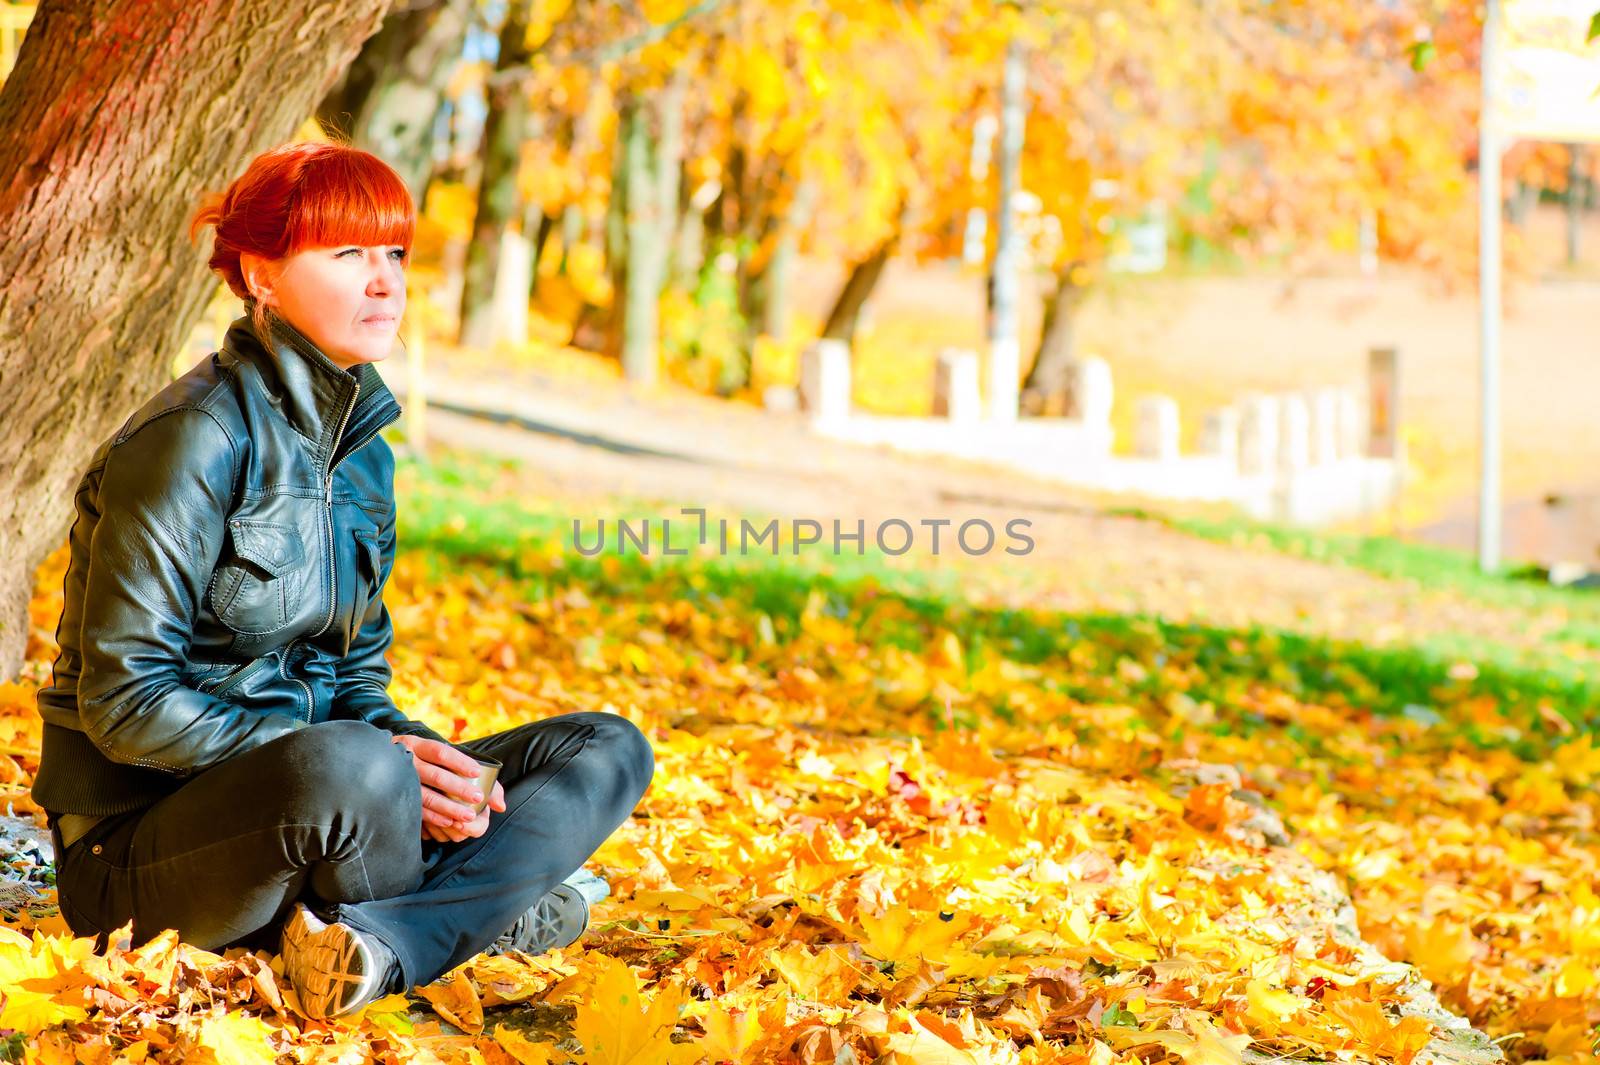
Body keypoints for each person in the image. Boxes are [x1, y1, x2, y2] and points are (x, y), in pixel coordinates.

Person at [28, 140, 655, 1021]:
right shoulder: (190, 439)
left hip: (334, 798)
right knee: (362, 765)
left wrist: (434, 769)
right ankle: (472, 910)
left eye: (394, 253)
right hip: (144, 850)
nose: (384, 281)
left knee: (605, 747)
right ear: (262, 275)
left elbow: (358, 681)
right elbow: (128, 703)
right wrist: (372, 763)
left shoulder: (365, 462)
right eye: (348, 252)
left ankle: (384, 938)